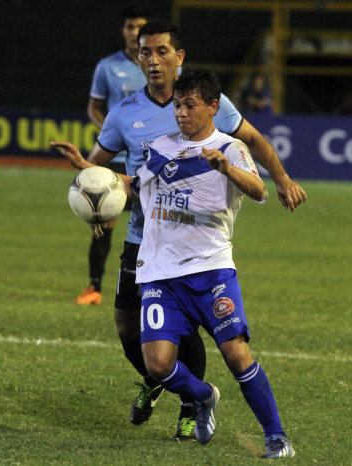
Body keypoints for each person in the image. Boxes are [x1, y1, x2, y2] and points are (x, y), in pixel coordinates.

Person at [51, 19, 307, 442]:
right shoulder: (142, 128)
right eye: (145, 52)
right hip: (150, 250)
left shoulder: (223, 127)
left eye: (161, 52)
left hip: (208, 263)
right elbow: (125, 181)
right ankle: (188, 391)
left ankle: (258, 429)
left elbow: (255, 172)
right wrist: (95, 188)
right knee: (132, 334)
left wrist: (275, 178)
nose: (152, 60)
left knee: (233, 353)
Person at [76, 5, 150, 305]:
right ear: (124, 31)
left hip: (148, 162)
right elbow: (94, 106)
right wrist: (111, 131)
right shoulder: (108, 66)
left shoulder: (164, 65)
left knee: (153, 224)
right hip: (114, 160)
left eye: (140, 27)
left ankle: (152, 287)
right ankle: (94, 287)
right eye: (131, 27)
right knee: (103, 224)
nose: (135, 32)